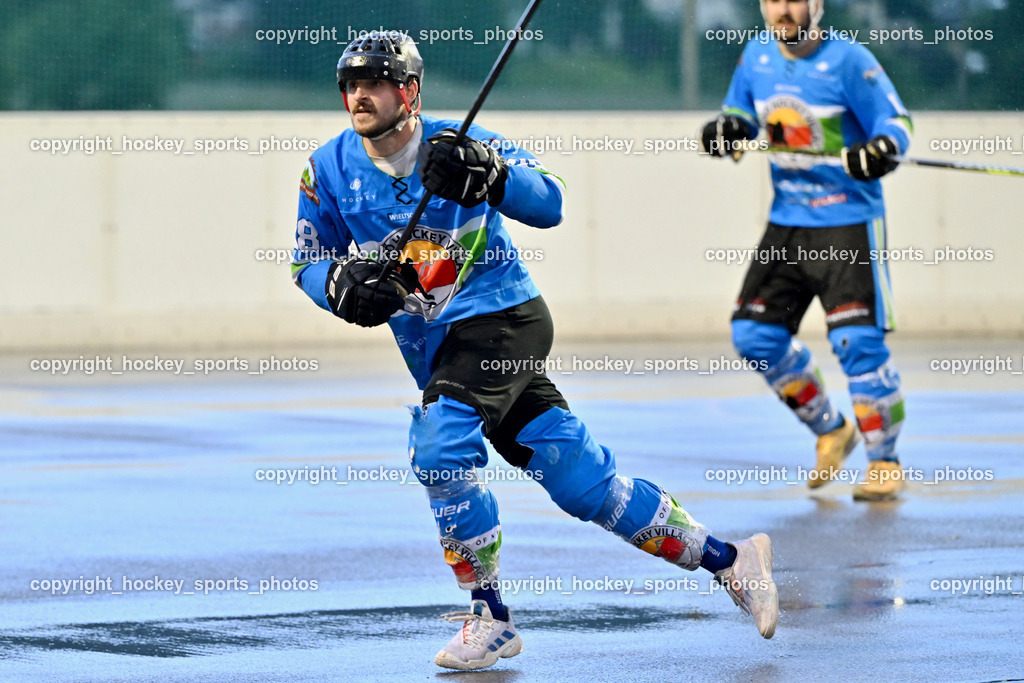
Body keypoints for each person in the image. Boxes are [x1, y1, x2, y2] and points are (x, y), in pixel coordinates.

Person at [291, 31, 779, 671]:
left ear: (410, 92)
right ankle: (732, 560)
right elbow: (306, 261)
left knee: (438, 448)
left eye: (376, 82)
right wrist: (337, 285)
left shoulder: (459, 143)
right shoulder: (326, 169)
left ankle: (489, 616)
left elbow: (551, 199)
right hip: (437, 351)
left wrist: (492, 178)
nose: (360, 95)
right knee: (585, 486)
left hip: (503, 320)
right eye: (352, 84)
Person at [700, 0, 911, 502]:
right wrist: (726, 130)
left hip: (848, 223)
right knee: (754, 336)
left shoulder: (849, 60)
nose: (783, 10)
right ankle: (832, 430)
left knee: (858, 344)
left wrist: (882, 150)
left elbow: (897, 123)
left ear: (817, 5)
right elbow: (740, 114)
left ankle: (884, 461)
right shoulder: (756, 56)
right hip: (788, 223)